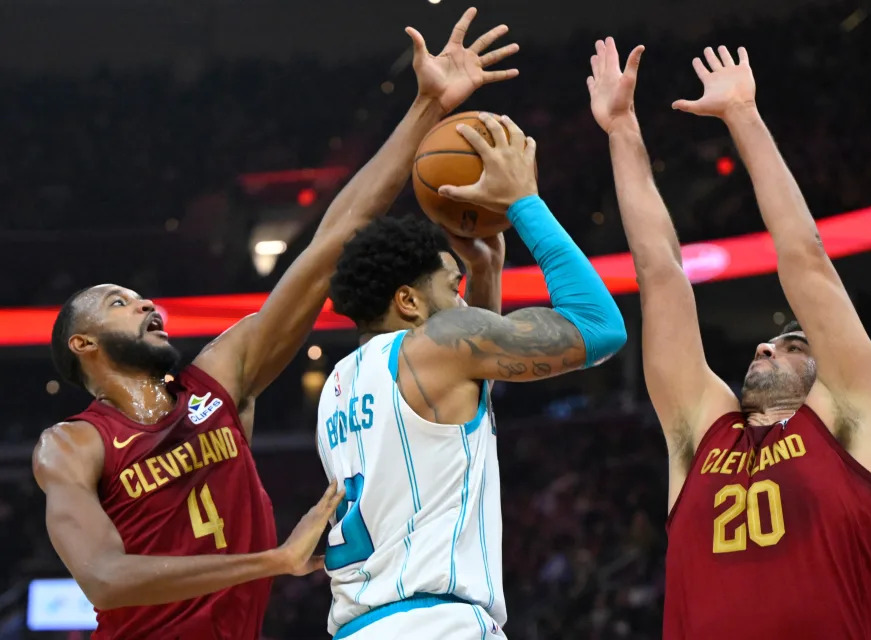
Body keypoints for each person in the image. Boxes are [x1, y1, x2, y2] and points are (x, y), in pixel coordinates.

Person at [32, 8, 520, 638]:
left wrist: (426, 106)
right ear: (83, 342)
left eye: (143, 298)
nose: (148, 305)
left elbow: (332, 242)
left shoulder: (219, 381)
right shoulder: (73, 444)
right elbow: (102, 575)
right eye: (120, 302)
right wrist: (275, 561)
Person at [587, 38, 871, 639]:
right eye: (769, 342)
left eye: (792, 345)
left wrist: (743, 116)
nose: (765, 347)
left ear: (822, 376)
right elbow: (660, 275)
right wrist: (622, 128)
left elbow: (806, 260)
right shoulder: (703, 431)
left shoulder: (851, 420)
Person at [315, 111, 626, 639]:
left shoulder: (336, 388)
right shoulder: (433, 347)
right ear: (409, 301)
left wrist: (485, 272)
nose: (460, 301)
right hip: (439, 626)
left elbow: (465, 402)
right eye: (451, 287)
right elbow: (599, 326)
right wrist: (524, 203)